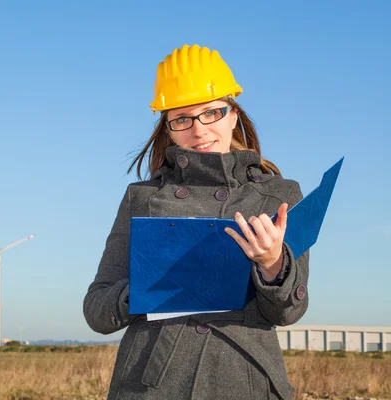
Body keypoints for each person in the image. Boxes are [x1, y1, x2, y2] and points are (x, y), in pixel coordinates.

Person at [83, 44, 309, 400]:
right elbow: (97, 311)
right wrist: (150, 289)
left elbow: (288, 312)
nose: (199, 130)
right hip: (152, 385)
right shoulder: (142, 197)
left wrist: (271, 264)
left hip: (246, 379)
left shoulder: (278, 197)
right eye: (182, 119)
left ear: (233, 114)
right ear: (169, 127)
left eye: (211, 113)